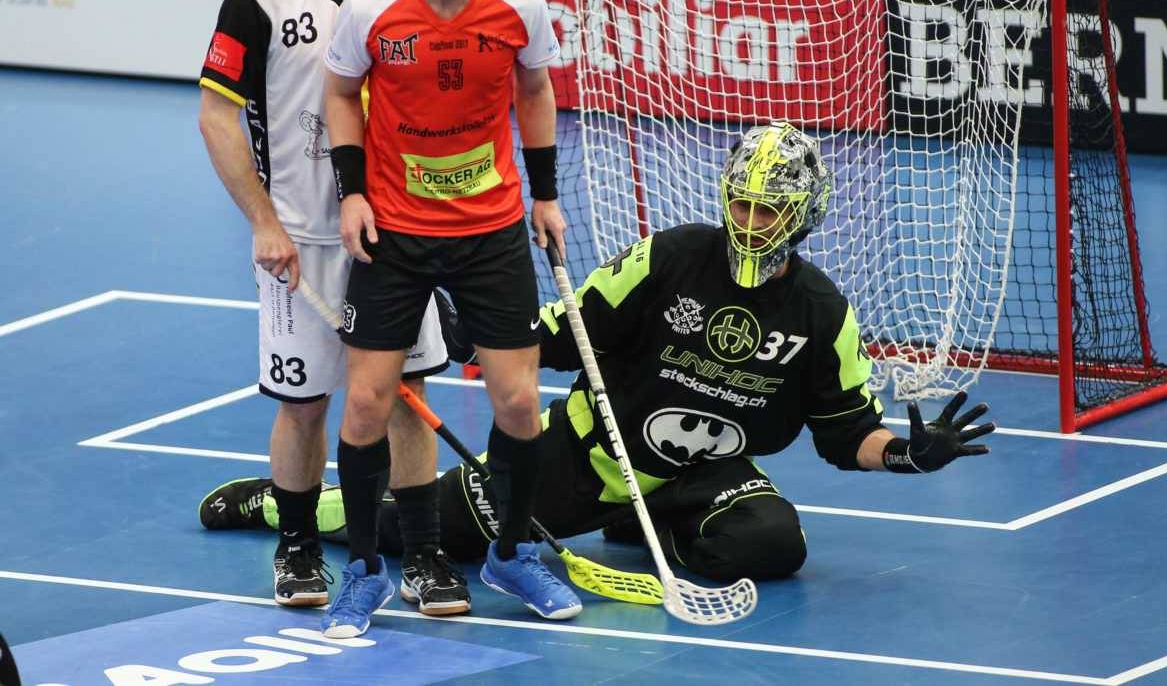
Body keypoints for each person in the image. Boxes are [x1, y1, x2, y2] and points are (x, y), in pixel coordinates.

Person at [202, 122, 995, 590]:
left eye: (770, 209)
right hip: (589, 452)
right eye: (743, 202)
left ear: (804, 214)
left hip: (703, 471)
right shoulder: (671, 256)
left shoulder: (823, 312)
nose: (752, 220)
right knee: (412, 529)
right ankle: (275, 502)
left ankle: (650, 528)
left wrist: (907, 454)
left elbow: (845, 429)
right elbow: (564, 327)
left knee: (773, 547)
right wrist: (481, 332)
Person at [197, 0, 467, 620]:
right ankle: (298, 546)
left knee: (408, 394)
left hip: (397, 235)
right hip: (302, 243)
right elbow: (215, 115)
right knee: (305, 402)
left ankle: (423, 554)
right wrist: (264, 222)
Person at [317, 0, 576, 636]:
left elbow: (535, 89)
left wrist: (545, 195)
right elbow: (340, 94)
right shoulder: (372, 9)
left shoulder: (520, 4)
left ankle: (510, 554)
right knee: (367, 401)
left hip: (490, 228)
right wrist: (352, 191)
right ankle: (365, 570)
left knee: (519, 401)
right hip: (395, 230)